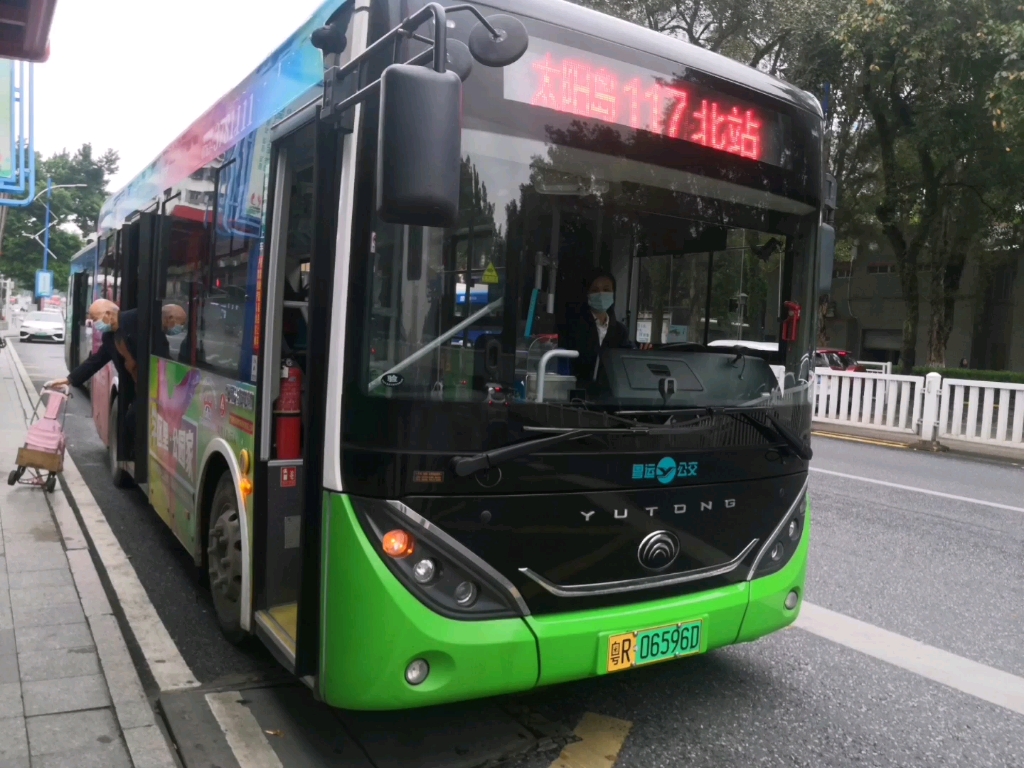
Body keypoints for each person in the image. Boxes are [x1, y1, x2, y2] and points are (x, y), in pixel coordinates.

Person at [48, 300, 186, 464]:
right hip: (138, 385)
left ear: (108, 314)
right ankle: (137, 455)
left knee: (134, 417)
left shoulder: (139, 318)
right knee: (131, 418)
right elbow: (96, 360)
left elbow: (161, 348)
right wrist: (69, 379)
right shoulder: (109, 337)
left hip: (157, 382)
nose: (94, 323)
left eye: (95, 318)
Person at [563, 269, 649, 393]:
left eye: (606, 290)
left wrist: (639, 355)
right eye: (595, 290)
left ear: (613, 293)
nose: (601, 294)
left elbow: (625, 360)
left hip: (610, 395)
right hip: (578, 394)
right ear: (587, 294)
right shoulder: (573, 326)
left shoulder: (620, 330)